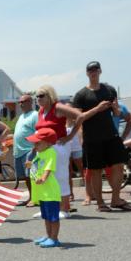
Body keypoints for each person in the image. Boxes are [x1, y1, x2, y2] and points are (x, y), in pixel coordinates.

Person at [71, 61, 131, 212]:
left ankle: (115, 199)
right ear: (87, 73)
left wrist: (115, 109)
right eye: (90, 70)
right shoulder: (81, 95)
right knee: (96, 170)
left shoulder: (109, 90)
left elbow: (117, 114)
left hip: (111, 135)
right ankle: (100, 203)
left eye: (96, 69)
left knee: (118, 166)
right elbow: (78, 118)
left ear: (100, 71)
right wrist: (97, 109)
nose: (93, 72)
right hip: (92, 138)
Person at [34, 85, 83, 216]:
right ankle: (47, 209)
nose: (38, 98)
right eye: (37, 96)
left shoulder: (58, 107)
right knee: (46, 177)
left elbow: (79, 116)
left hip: (59, 145)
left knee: (60, 175)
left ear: (49, 95)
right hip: (44, 148)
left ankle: (64, 208)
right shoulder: (41, 111)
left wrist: (70, 135)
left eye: (41, 95)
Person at [26, 128, 61, 248]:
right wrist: (31, 164)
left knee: (53, 217)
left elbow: (48, 168)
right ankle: (48, 235)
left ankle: (54, 238)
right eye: (34, 143)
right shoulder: (40, 153)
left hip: (50, 191)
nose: (35, 145)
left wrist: (43, 178)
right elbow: (38, 166)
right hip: (43, 191)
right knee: (46, 216)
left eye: (38, 143)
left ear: (48, 142)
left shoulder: (51, 152)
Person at [12, 94, 38, 203]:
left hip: (29, 151)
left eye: (24, 101)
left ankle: (35, 198)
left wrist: (34, 149)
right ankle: (32, 196)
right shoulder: (21, 116)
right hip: (19, 152)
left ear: (30, 102)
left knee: (31, 175)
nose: (21, 104)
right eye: (20, 102)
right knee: (25, 177)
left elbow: (38, 133)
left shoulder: (35, 115)